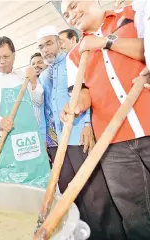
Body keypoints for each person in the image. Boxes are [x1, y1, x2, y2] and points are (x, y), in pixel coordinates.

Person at [61, 0, 150, 238]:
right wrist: (77, 104)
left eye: (72, 5)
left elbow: (147, 51)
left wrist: (105, 42)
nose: (70, 15)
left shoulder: (133, 14)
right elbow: (84, 91)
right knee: (135, 215)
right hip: (113, 144)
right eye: (66, 14)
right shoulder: (74, 55)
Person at [37, 25, 125, 240]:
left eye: (49, 43)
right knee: (69, 193)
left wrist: (86, 124)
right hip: (57, 144)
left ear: (59, 42)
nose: (45, 49)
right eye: (41, 46)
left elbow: (86, 91)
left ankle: (110, 236)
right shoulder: (44, 76)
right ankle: (83, 234)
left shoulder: (73, 61)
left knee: (94, 192)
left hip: (77, 135)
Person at [0, 36, 50, 187]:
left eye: (5, 56)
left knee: (37, 185)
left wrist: (34, 81)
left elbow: (38, 100)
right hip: (5, 142)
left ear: (14, 55)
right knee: (10, 189)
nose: (2, 61)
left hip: (30, 143)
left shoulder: (24, 76)